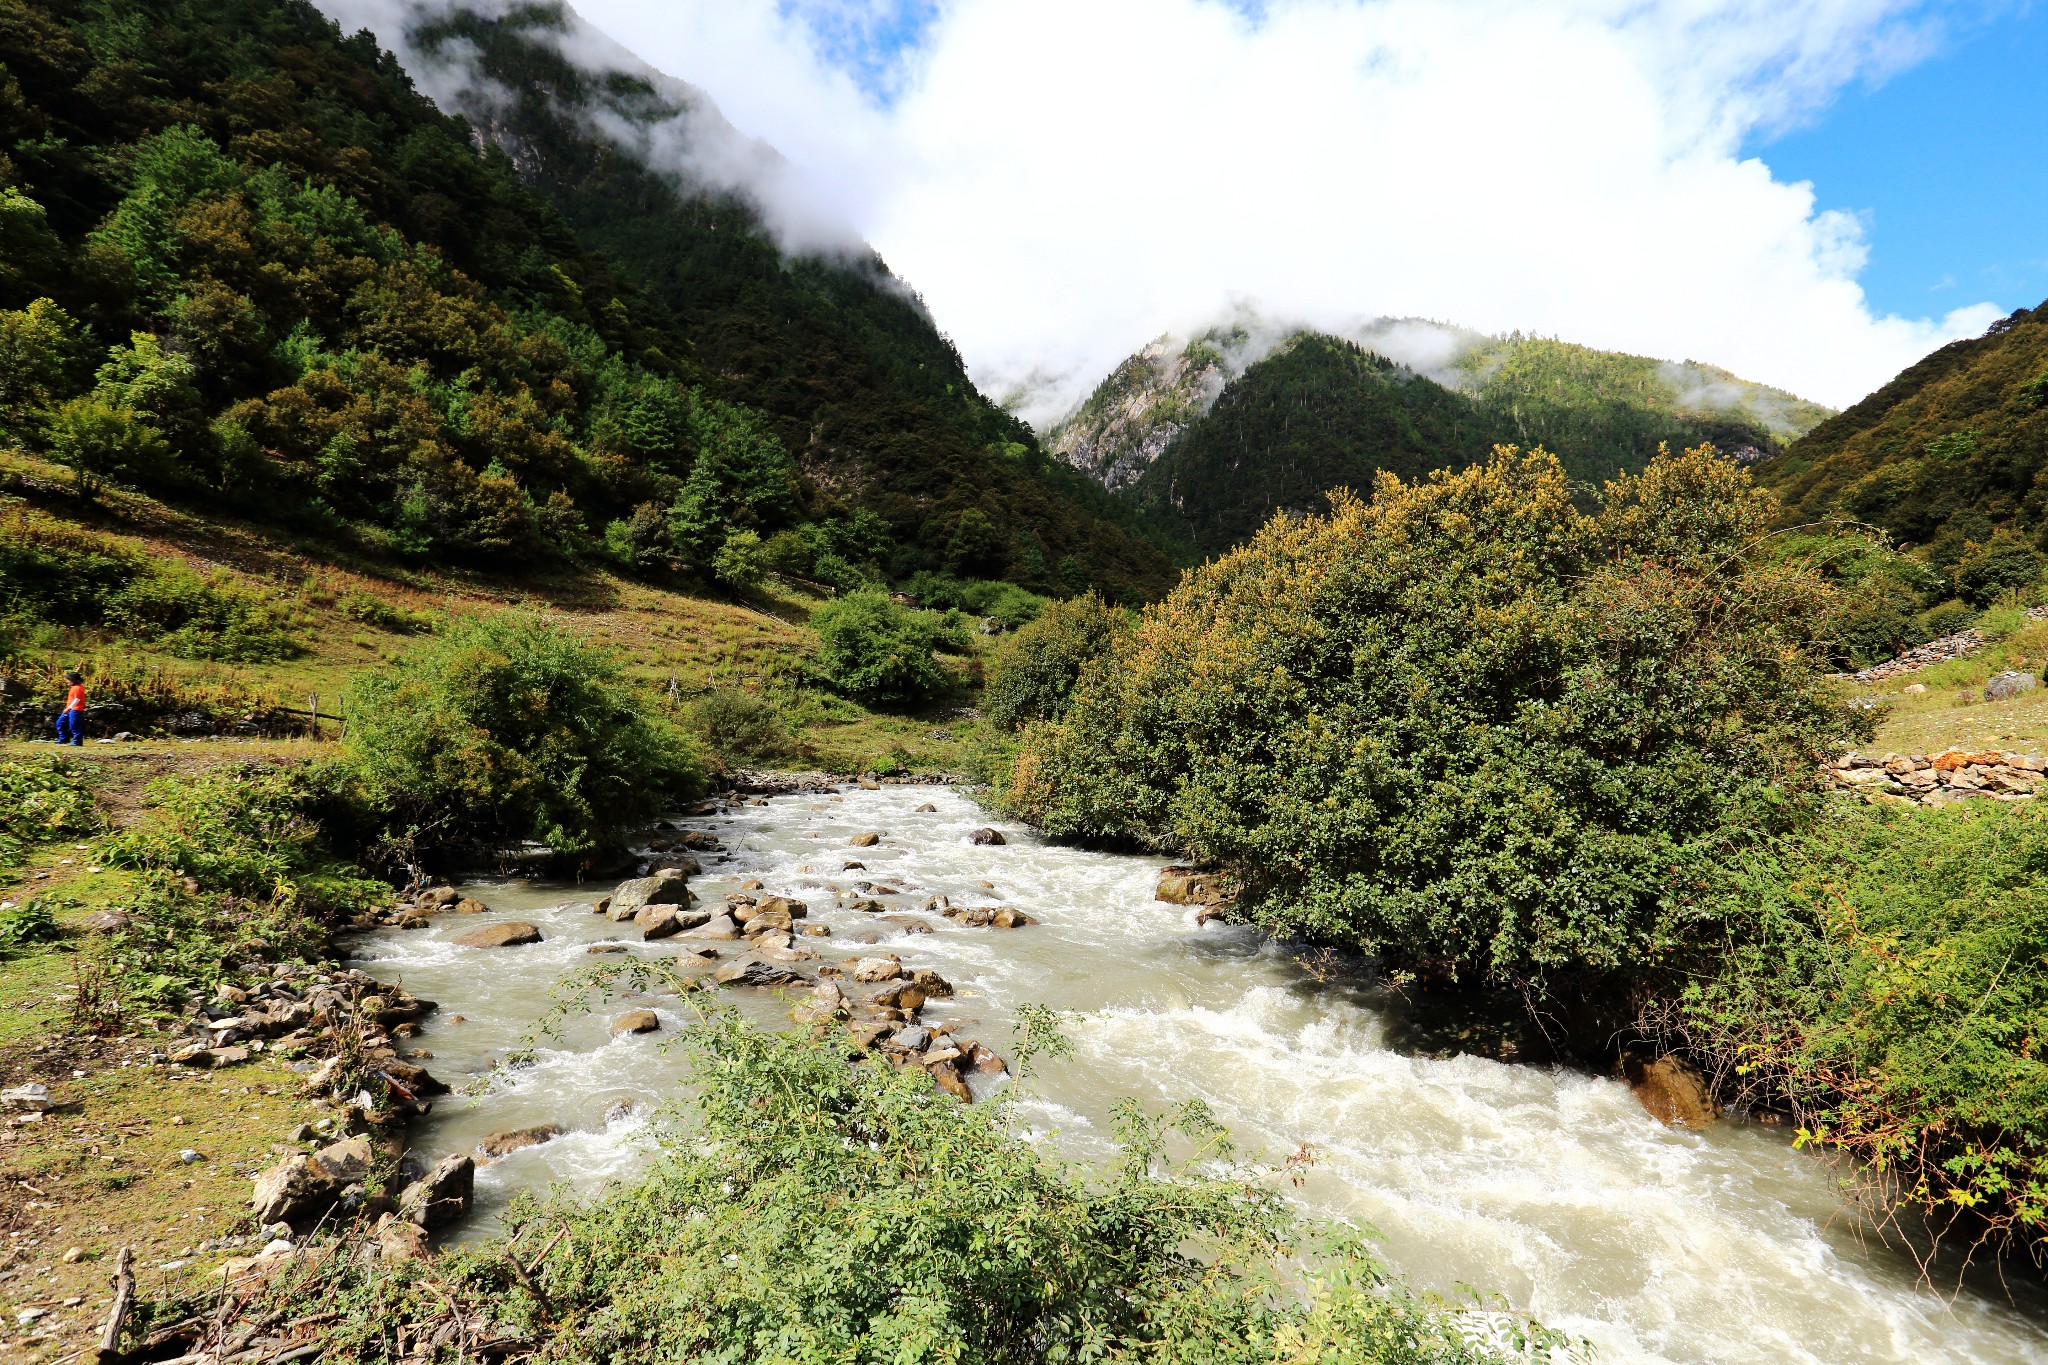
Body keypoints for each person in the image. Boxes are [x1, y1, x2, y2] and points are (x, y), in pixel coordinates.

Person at [55, 669, 85, 746]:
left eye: (69, 680)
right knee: (60, 723)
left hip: (75, 709)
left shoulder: (77, 688)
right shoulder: (75, 687)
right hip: (71, 709)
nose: (68, 681)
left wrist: (69, 708)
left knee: (74, 726)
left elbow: (77, 699)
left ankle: (77, 742)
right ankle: (63, 739)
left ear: (73, 681)